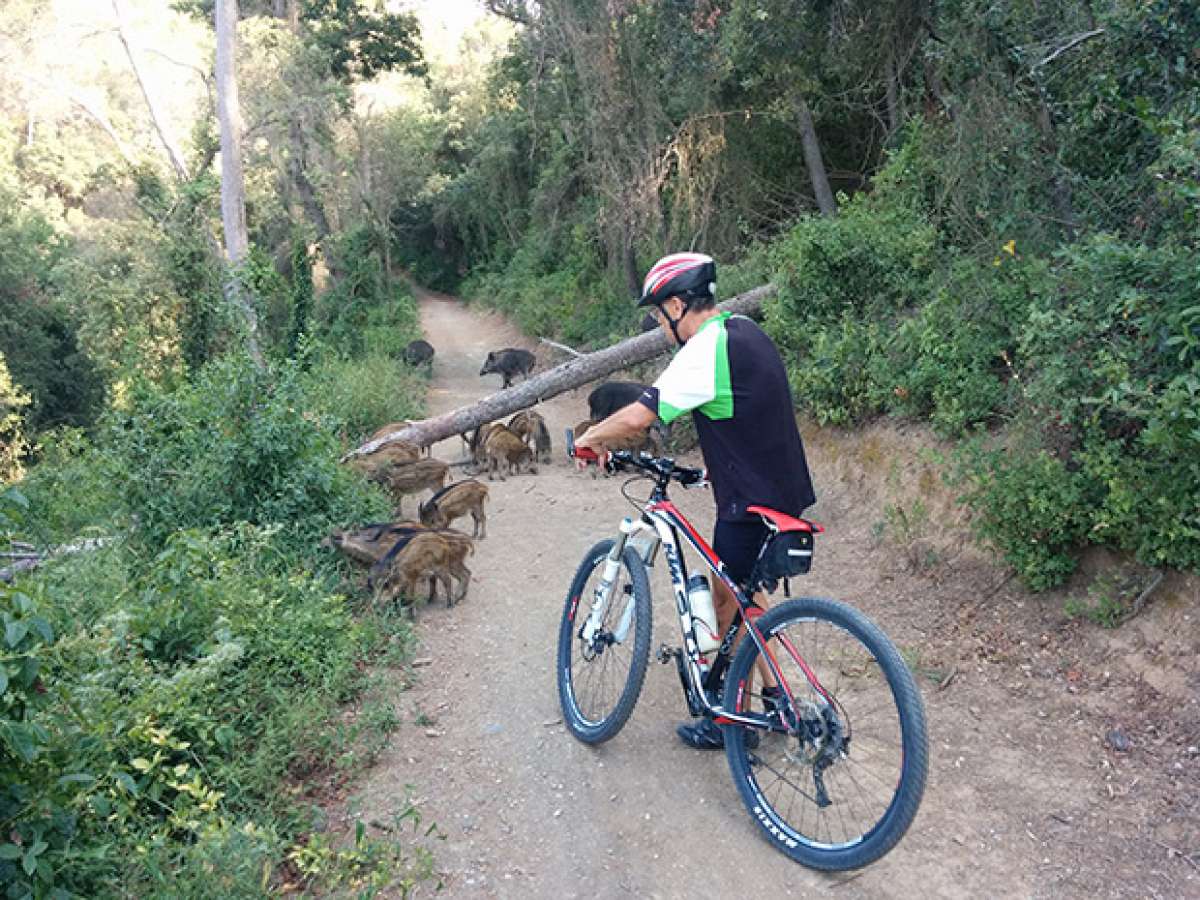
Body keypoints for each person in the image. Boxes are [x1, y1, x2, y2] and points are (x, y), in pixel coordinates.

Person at [574, 251, 817, 749]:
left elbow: (640, 418)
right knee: (737, 594)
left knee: (727, 600)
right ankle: (772, 697)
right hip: (781, 488)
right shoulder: (746, 330)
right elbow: (750, 411)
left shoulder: (705, 349)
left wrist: (589, 438)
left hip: (749, 501)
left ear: (680, 305)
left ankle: (727, 718)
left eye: (662, 316)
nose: (662, 329)